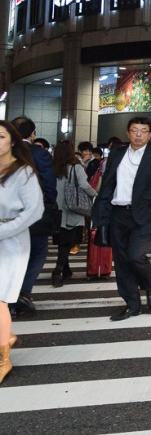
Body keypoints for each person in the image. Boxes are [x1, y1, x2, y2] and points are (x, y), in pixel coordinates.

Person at [91, 116, 151, 321]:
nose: (138, 134)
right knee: (122, 262)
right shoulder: (117, 154)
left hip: (144, 216)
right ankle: (132, 305)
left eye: (143, 131)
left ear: (149, 135)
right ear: (128, 133)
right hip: (118, 214)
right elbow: (108, 184)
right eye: (134, 130)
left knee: (136, 256)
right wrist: (102, 214)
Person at [0, 120, 44, 384]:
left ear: (13, 141)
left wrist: (4, 231)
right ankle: (5, 335)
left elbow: (34, 211)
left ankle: (3, 357)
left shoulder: (23, 172)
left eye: (1, 136)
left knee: (0, 299)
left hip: (12, 240)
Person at [10, 116, 57, 320]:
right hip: (33, 214)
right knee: (38, 251)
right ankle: (23, 292)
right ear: (32, 134)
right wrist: (48, 204)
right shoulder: (39, 153)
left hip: (7, 214)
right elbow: (48, 183)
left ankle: (9, 296)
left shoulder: (5, 152)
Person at [52, 140, 97, 287]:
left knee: (62, 241)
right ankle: (58, 271)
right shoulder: (76, 167)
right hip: (72, 208)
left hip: (56, 209)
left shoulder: (54, 167)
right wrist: (95, 194)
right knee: (67, 242)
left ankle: (66, 270)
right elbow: (84, 185)